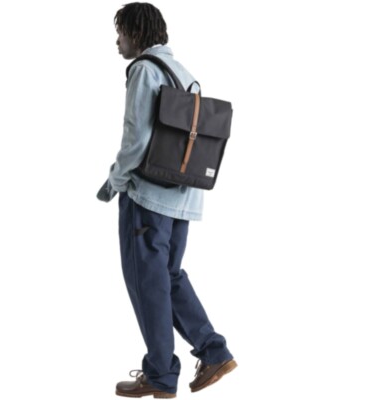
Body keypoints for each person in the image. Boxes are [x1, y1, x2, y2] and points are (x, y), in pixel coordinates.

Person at [98, 2, 237, 398]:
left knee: (148, 284)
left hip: (148, 197)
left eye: (120, 32)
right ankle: (214, 352)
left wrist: (114, 181)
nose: (117, 41)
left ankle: (160, 375)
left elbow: (137, 139)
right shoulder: (186, 75)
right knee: (169, 277)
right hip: (184, 197)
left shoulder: (144, 70)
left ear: (136, 32)